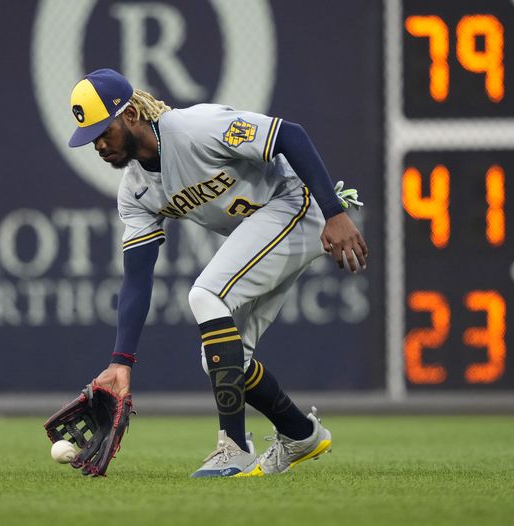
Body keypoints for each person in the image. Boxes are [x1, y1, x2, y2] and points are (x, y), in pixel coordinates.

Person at [67, 69, 367, 477]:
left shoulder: (194, 128)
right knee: (223, 359)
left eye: (104, 131)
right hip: (268, 223)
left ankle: (234, 447)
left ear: (132, 114)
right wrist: (121, 362)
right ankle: (300, 434)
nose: (99, 145)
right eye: (91, 138)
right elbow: (137, 276)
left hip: (294, 201)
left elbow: (289, 135)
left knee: (207, 295)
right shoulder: (135, 191)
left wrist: (333, 211)